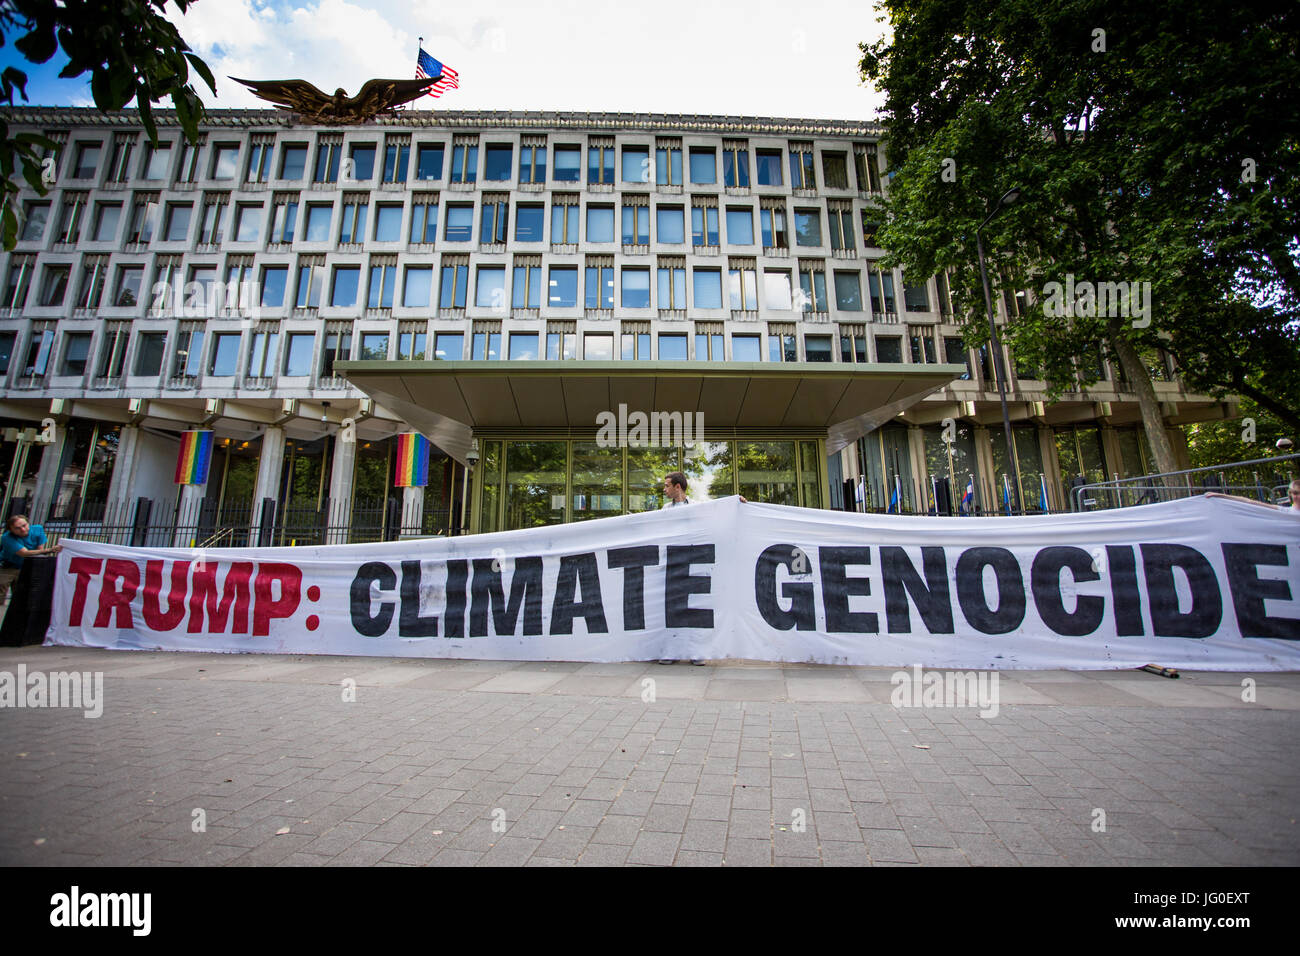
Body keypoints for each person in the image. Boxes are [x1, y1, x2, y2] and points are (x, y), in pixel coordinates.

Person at [0, 515, 60, 606]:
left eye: (24, 525)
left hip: (26, 565)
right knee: (1, 587)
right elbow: (24, 553)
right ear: (11, 530)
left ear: (28, 523)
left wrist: (45, 552)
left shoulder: (38, 529)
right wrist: (50, 550)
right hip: (8, 566)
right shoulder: (7, 537)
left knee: (22, 594)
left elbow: (40, 551)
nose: (23, 530)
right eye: (17, 528)